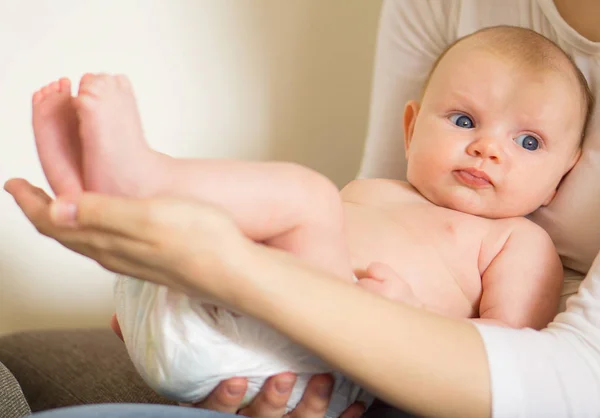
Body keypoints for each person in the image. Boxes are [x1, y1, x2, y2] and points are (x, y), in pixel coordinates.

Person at [6, 0, 600, 417]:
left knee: (306, 196)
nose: (487, 147)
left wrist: (417, 317)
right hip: (228, 318)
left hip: (349, 361)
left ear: (562, 179)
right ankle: (90, 194)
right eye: (464, 120)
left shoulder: (518, 243)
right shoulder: (383, 191)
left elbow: (505, 350)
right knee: (269, 213)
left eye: (528, 143)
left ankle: (144, 175)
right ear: (412, 127)